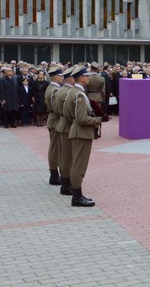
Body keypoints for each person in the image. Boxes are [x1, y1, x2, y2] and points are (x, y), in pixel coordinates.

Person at [66, 66, 102, 207]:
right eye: (86, 76)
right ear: (81, 77)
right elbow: (82, 119)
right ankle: (77, 196)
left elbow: (69, 113)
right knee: (79, 166)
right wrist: (99, 120)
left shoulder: (74, 91)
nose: (89, 78)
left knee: (76, 164)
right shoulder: (79, 95)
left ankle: (77, 194)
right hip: (81, 133)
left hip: (78, 132)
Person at [53, 67, 77, 196]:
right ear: (71, 78)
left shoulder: (61, 90)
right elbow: (67, 111)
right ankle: (66, 184)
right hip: (67, 124)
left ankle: (65, 182)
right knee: (67, 156)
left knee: (64, 155)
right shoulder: (67, 92)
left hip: (62, 123)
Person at [44, 66, 65, 186]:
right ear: (56, 76)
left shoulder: (52, 88)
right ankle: (54, 175)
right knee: (55, 149)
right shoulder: (54, 90)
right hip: (55, 120)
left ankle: (54, 174)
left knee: (55, 148)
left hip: (54, 120)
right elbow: (56, 108)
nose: (62, 78)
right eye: (60, 76)